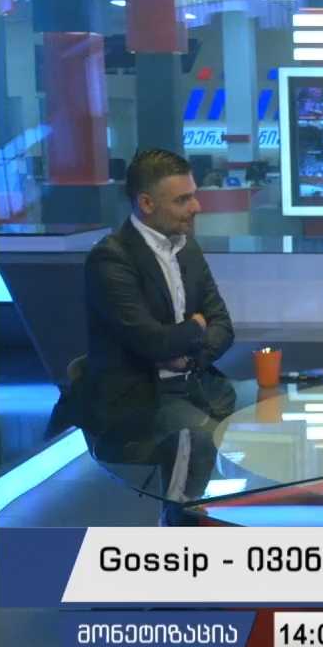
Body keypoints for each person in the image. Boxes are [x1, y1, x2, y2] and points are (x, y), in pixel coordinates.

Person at [54, 148, 235, 523]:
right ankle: (178, 528)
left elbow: (223, 325)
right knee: (199, 438)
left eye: (194, 195)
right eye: (182, 199)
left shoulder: (187, 248)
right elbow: (152, 343)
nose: (196, 207)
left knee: (261, 417)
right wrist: (195, 327)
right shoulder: (111, 259)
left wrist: (189, 356)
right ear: (147, 203)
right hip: (139, 399)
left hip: (195, 383)